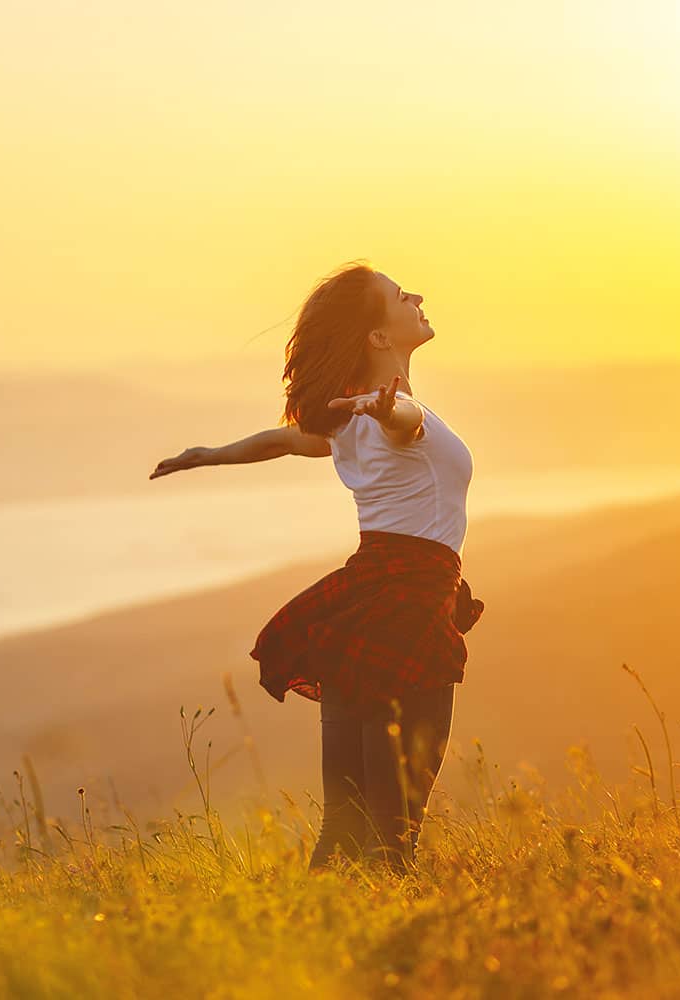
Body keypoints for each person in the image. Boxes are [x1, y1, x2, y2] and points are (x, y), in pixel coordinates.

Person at [148, 261, 484, 874]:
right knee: (394, 830)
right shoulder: (389, 415)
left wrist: (210, 455)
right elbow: (402, 425)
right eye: (399, 295)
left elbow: (280, 440)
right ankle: (377, 947)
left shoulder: (352, 420)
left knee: (347, 821)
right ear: (379, 338)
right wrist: (388, 410)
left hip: (365, 604)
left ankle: (319, 927)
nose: (417, 296)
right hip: (406, 608)